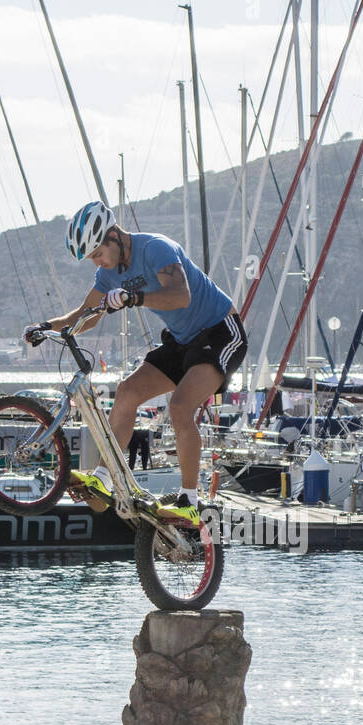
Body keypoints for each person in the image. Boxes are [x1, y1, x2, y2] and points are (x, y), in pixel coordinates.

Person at [24, 201, 247, 524]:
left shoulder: (156, 249)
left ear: (113, 236)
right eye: (92, 259)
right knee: (127, 391)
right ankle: (102, 478)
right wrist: (46, 327)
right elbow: (84, 316)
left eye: (98, 254)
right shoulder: (107, 273)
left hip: (220, 332)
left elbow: (180, 296)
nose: (98, 263)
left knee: (180, 406)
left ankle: (190, 501)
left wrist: (134, 298)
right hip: (182, 340)